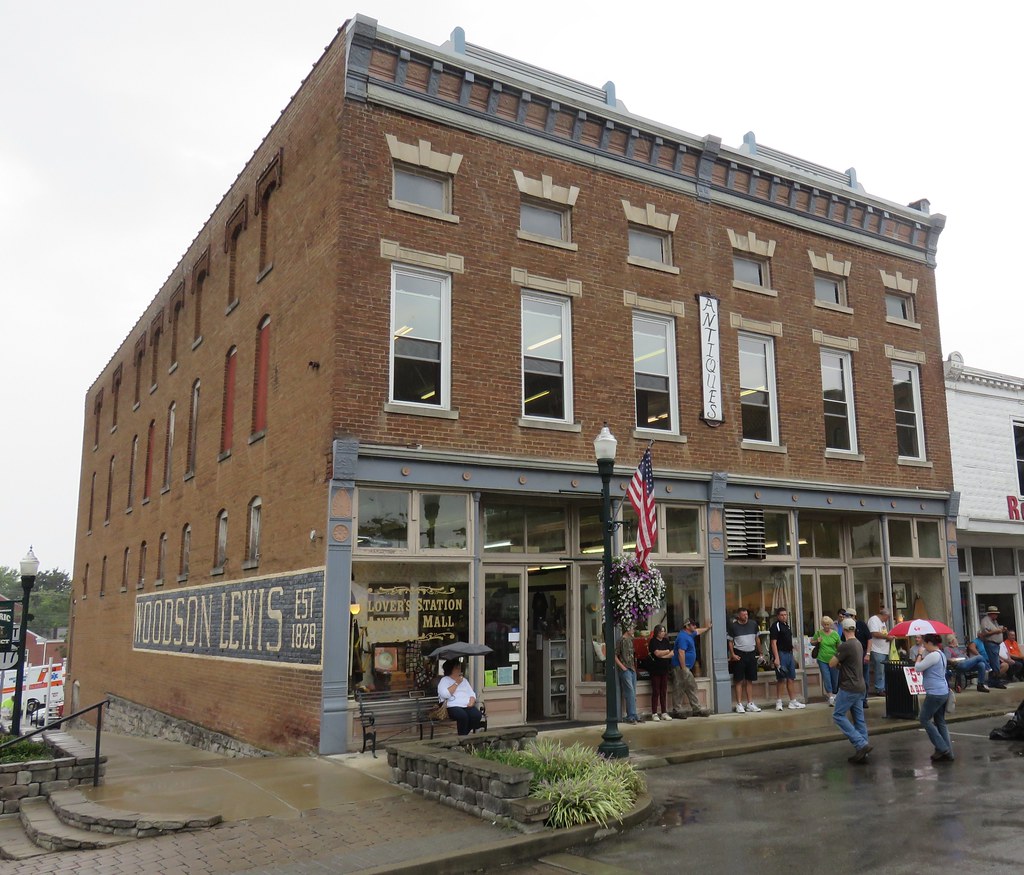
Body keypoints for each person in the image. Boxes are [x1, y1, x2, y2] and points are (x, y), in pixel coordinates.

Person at [830, 618, 871, 763]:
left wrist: (838, 660)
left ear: (844, 630)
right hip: (860, 686)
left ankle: (861, 744)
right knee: (859, 719)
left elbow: (831, 663)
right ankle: (863, 751)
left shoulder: (846, 646)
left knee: (838, 715)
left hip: (849, 687)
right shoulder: (859, 644)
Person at [914, 633, 953, 762]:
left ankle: (942, 747)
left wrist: (919, 654)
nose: (924, 646)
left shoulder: (933, 655)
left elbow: (917, 668)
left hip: (935, 693)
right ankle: (947, 751)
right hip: (943, 691)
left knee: (924, 719)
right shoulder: (941, 654)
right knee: (940, 721)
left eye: (925, 644)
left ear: (930, 643)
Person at [671, 618, 712, 717]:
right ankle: (677, 710)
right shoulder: (682, 637)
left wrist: (707, 628)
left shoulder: (689, 634)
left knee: (691, 687)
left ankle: (696, 709)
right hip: (680, 667)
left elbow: (697, 632)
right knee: (679, 688)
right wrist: (683, 668)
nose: (695, 626)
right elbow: (681, 653)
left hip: (685, 667)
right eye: (693, 625)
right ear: (687, 626)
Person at [727, 607, 762, 713]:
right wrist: (732, 654)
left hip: (751, 653)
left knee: (749, 679)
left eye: (746, 614)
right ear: (738, 616)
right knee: (739, 680)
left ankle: (750, 703)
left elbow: (757, 639)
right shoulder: (733, 627)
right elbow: (730, 642)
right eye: (743, 615)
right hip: (739, 654)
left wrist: (760, 652)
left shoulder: (753, 624)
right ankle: (739, 704)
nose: (746, 616)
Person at [770, 608, 805, 710]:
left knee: (791, 678)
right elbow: (773, 643)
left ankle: (792, 701)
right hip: (781, 654)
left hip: (789, 654)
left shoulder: (787, 626)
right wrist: (776, 658)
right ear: (778, 616)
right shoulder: (775, 626)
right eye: (782, 615)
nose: (784, 617)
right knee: (781, 678)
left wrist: (793, 648)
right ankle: (779, 702)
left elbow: (787, 640)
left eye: (785, 615)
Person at [437, 659, 483, 736]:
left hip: (466, 705)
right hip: (452, 706)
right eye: (457, 667)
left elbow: (471, 692)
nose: (459, 669)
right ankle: (462, 737)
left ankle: (464, 735)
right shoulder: (444, 680)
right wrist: (457, 683)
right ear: (451, 669)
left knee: (477, 715)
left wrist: (472, 699)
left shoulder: (464, 680)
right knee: (462, 716)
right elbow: (445, 694)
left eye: (459, 667)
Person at [812, 616, 840, 705]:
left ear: (831, 624)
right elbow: (811, 642)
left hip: (833, 659)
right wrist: (817, 641)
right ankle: (830, 696)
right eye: (824, 625)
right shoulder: (819, 633)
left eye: (828, 624)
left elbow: (839, 646)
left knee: (834, 678)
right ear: (822, 625)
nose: (826, 626)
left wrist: (839, 657)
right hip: (822, 659)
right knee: (826, 677)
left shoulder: (835, 634)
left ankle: (835, 693)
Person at [614, 625, 639, 724]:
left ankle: (634, 714)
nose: (633, 630)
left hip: (632, 668)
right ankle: (631, 716)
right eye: (632, 628)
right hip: (626, 669)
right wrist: (622, 667)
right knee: (630, 692)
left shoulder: (631, 640)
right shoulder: (621, 640)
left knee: (633, 692)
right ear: (627, 629)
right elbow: (615, 655)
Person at [648, 625, 673, 721]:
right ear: (657, 632)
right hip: (655, 670)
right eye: (662, 631)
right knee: (656, 691)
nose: (664, 633)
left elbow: (671, 653)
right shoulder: (653, 641)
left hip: (665, 669)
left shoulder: (666, 641)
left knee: (663, 691)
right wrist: (665, 652)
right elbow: (656, 653)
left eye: (664, 631)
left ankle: (664, 712)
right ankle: (654, 713)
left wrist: (664, 655)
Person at [867, 607, 893, 696]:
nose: (887, 619)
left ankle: (884, 687)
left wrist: (888, 637)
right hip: (877, 649)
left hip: (884, 650)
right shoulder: (874, 620)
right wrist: (887, 637)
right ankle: (879, 688)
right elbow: (874, 633)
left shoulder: (883, 623)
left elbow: (883, 633)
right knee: (879, 670)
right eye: (888, 617)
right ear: (884, 615)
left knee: (884, 670)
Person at [979, 606, 1007, 676]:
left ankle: (994, 680)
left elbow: (995, 629)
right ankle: (995, 680)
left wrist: (1001, 629)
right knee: (995, 663)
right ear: (991, 614)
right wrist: (996, 631)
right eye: (995, 614)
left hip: (996, 645)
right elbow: (984, 633)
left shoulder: (994, 621)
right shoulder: (985, 621)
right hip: (991, 643)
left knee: (996, 662)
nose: (997, 616)